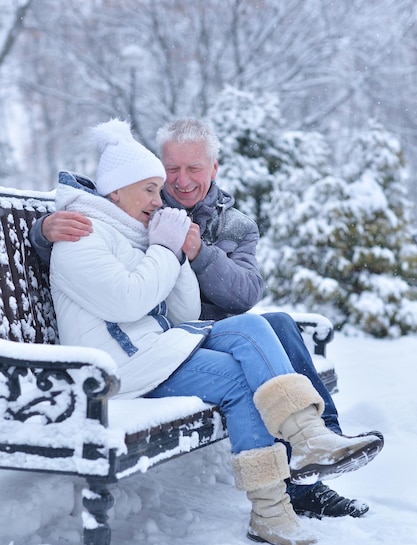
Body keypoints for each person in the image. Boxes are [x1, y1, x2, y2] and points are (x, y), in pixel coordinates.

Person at [30, 118, 384, 521]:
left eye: (193, 169)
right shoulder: (139, 209)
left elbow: (246, 294)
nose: (179, 182)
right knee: (258, 346)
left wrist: (198, 255)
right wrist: (42, 230)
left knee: (276, 324)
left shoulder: (230, 223)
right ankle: (305, 453)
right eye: (171, 170)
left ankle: (319, 441)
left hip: (204, 329)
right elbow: (90, 250)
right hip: (167, 343)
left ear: (214, 168)